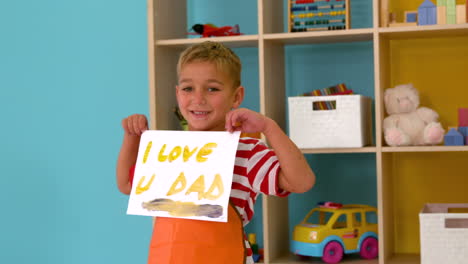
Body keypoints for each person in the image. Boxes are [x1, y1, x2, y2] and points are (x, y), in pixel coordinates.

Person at [116, 41, 315, 264]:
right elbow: (126, 185)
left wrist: (269, 127)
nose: (198, 98)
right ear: (177, 93)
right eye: (188, 88)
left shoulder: (246, 152)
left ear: (237, 97)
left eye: (213, 89)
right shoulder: (169, 151)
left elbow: (302, 182)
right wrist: (132, 137)